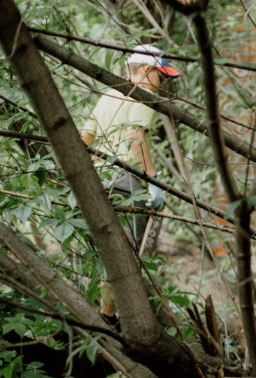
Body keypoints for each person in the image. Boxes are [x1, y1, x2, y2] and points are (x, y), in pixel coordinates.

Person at [80, 44, 181, 323]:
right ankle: (113, 317)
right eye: (161, 76)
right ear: (147, 71)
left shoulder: (110, 94)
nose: (162, 84)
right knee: (125, 252)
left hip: (101, 180)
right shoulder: (144, 95)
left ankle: (107, 314)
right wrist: (152, 180)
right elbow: (135, 138)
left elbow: (85, 139)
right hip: (127, 184)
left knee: (108, 249)